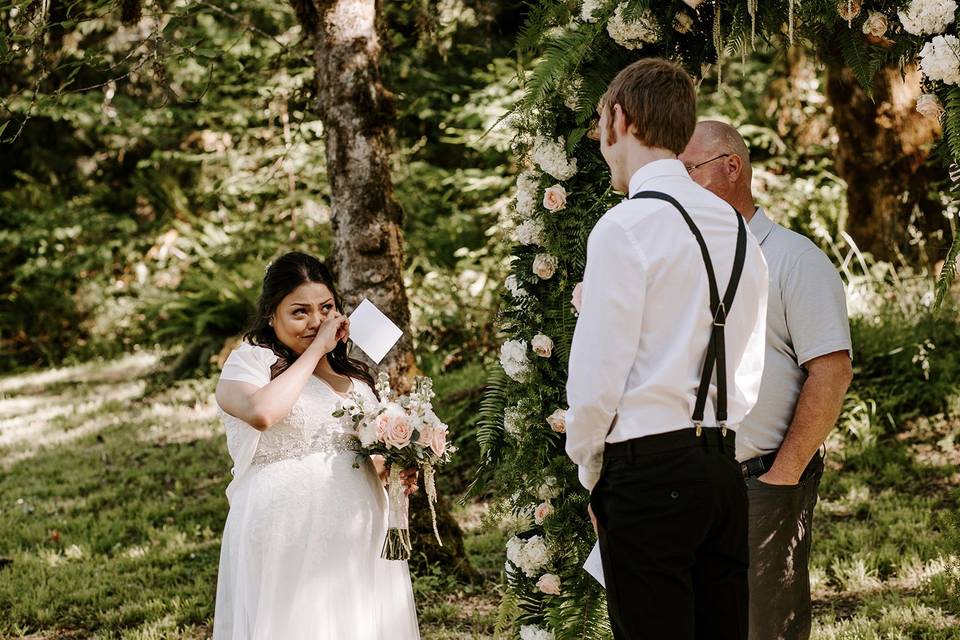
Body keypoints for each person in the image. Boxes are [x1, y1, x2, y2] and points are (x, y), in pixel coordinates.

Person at [565, 59, 768, 640]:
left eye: (600, 121)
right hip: (722, 471)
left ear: (619, 119)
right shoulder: (738, 229)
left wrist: (593, 470)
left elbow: (598, 379)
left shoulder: (624, 227)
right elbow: (747, 361)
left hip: (646, 473)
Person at [680, 121, 853, 640]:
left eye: (688, 170)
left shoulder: (795, 260)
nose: (678, 185)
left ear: (731, 167)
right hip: (684, 481)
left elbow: (831, 371)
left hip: (759, 481)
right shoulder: (682, 261)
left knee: (763, 627)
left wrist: (782, 475)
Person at [212, 251, 420, 640]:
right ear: (271, 315)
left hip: (359, 525)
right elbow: (262, 413)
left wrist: (394, 466)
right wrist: (316, 350)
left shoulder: (352, 374)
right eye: (300, 312)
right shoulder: (249, 362)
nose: (316, 321)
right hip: (286, 526)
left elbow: (355, 453)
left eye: (326, 308)